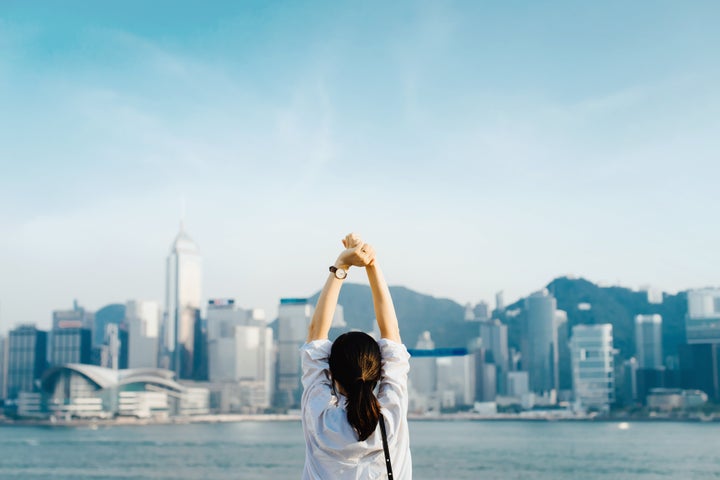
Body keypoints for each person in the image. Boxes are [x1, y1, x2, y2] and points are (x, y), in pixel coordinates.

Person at [301, 233, 412, 480]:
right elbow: (391, 331)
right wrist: (372, 264)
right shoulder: (391, 416)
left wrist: (342, 264)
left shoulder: (320, 418)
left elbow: (315, 332)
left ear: (331, 373)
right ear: (378, 372)